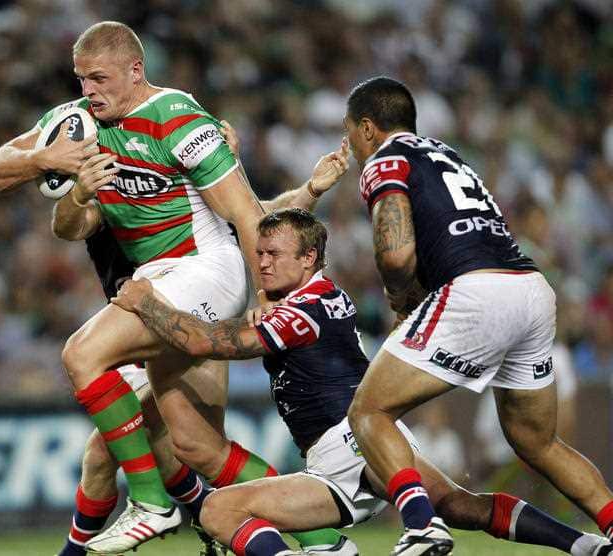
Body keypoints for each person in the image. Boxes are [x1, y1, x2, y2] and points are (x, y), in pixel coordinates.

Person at [0, 21, 350, 554]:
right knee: (196, 447)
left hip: (201, 275)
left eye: (99, 78)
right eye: (81, 79)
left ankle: (151, 504)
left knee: (85, 365)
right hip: (149, 288)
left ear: (135, 70)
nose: (88, 91)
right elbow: (13, 190)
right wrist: (55, 168)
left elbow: (248, 214)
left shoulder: (178, 120)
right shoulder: (75, 128)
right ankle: (325, 540)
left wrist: (268, 300)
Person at [112, 208, 613, 556]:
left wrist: (147, 303)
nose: (261, 262)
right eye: (259, 253)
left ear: (307, 259)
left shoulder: (302, 312)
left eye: (272, 254)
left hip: (345, 448)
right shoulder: (323, 295)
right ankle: (585, 544)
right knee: (462, 504)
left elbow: (210, 345)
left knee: (220, 510)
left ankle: (424, 528)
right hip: (362, 447)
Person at [342, 76, 613, 555]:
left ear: (368, 128)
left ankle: (422, 527)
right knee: (537, 440)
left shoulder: (385, 158)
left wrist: (399, 294)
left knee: (368, 411)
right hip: (530, 289)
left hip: (476, 291)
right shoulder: (448, 154)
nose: (351, 146)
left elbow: (397, 252)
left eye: (350, 134)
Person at [54, 122, 345, 556]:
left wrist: (308, 191)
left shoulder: (189, 192)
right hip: (136, 322)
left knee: (113, 449)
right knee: (188, 447)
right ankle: (313, 539)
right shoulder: (118, 187)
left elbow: (253, 216)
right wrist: (72, 186)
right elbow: (67, 223)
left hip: (172, 312)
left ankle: (166, 511)